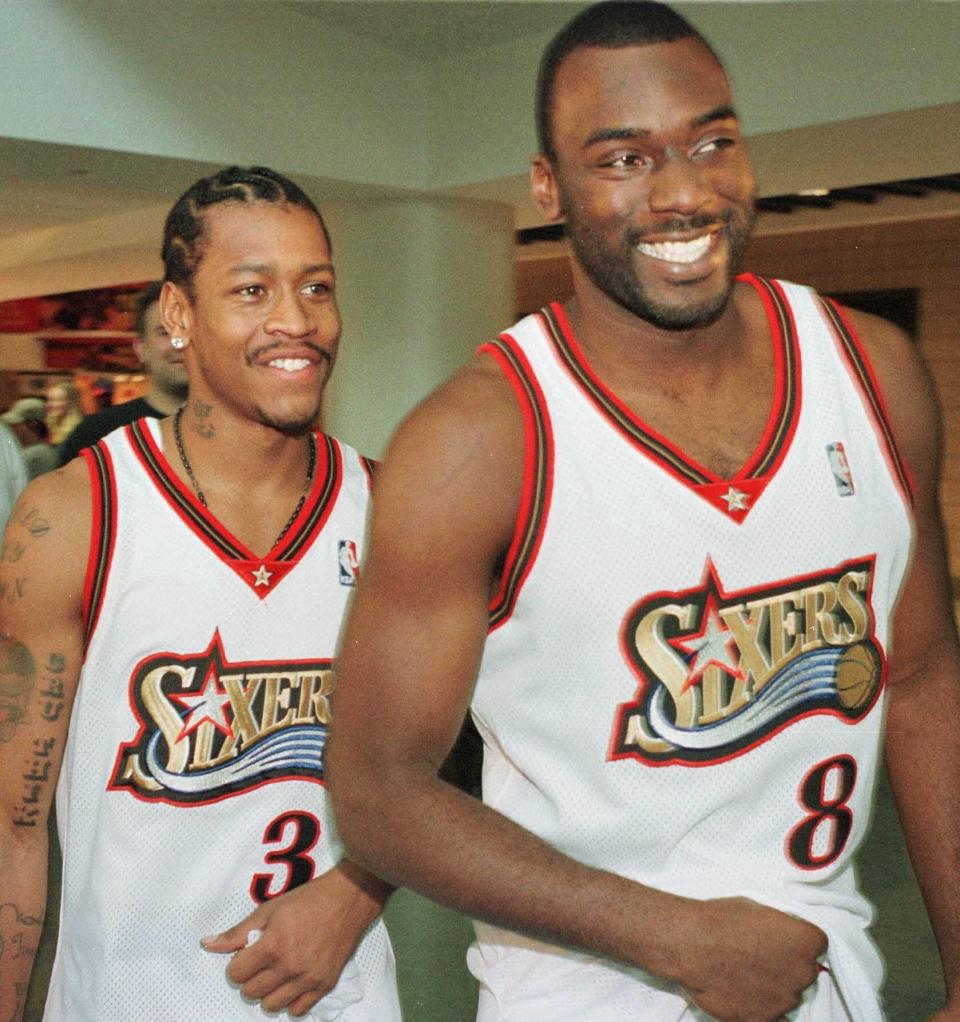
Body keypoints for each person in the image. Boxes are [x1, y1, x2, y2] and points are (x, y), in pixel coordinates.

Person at [326, 4, 960, 1022]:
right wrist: (676, 936)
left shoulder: (873, 373)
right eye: (622, 158)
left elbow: (923, 679)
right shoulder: (477, 442)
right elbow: (377, 786)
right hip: (581, 995)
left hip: (825, 975)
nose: (683, 192)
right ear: (548, 186)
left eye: (712, 142)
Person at [0, 166, 401, 1022]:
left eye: (316, 287)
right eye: (252, 290)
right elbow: (13, 829)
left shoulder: (393, 508)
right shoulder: (77, 516)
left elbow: (451, 764)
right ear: (178, 316)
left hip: (343, 999)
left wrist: (358, 894)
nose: (294, 321)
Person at [57, 281, 189, 465]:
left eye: (188, 330)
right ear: (141, 349)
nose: (179, 343)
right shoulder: (97, 435)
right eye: (165, 332)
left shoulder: (235, 430)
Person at [1, 398, 59, 479]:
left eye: (15, 425)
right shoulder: (42, 450)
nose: (12, 429)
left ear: (32, 425)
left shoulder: (36, 453)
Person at [43, 381, 83, 446]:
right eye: (49, 400)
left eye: (57, 400)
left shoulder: (78, 431)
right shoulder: (47, 426)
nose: (50, 404)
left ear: (71, 403)